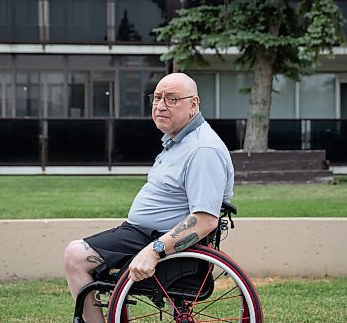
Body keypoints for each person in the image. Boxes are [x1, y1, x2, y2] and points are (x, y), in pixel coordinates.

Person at [64, 72, 234, 322]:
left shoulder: (203, 150)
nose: (161, 106)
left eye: (172, 99)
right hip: (140, 233)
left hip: (154, 239)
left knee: (75, 256)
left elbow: (204, 220)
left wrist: (153, 251)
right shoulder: (179, 140)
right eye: (157, 98)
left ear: (194, 104)